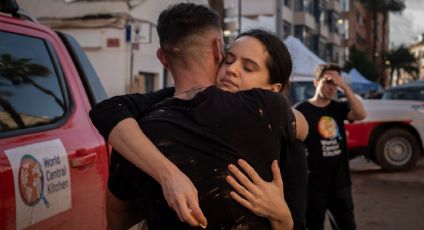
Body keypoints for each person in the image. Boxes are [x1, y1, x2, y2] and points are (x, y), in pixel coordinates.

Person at [90, 3, 307, 229]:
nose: (232, 70)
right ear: (218, 49)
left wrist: (282, 216)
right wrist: (166, 180)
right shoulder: (141, 128)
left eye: (249, 68)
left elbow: (118, 216)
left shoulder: (279, 127)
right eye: (229, 59)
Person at [294, 64, 366, 230]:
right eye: (328, 81)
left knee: (347, 226)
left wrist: (345, 86)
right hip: (313, 185)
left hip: (340, 184)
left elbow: (361, 114)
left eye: (335, 83)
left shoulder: (338, 108)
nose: (331, 86)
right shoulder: (301, 110)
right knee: (313, 226)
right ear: (315, 82)